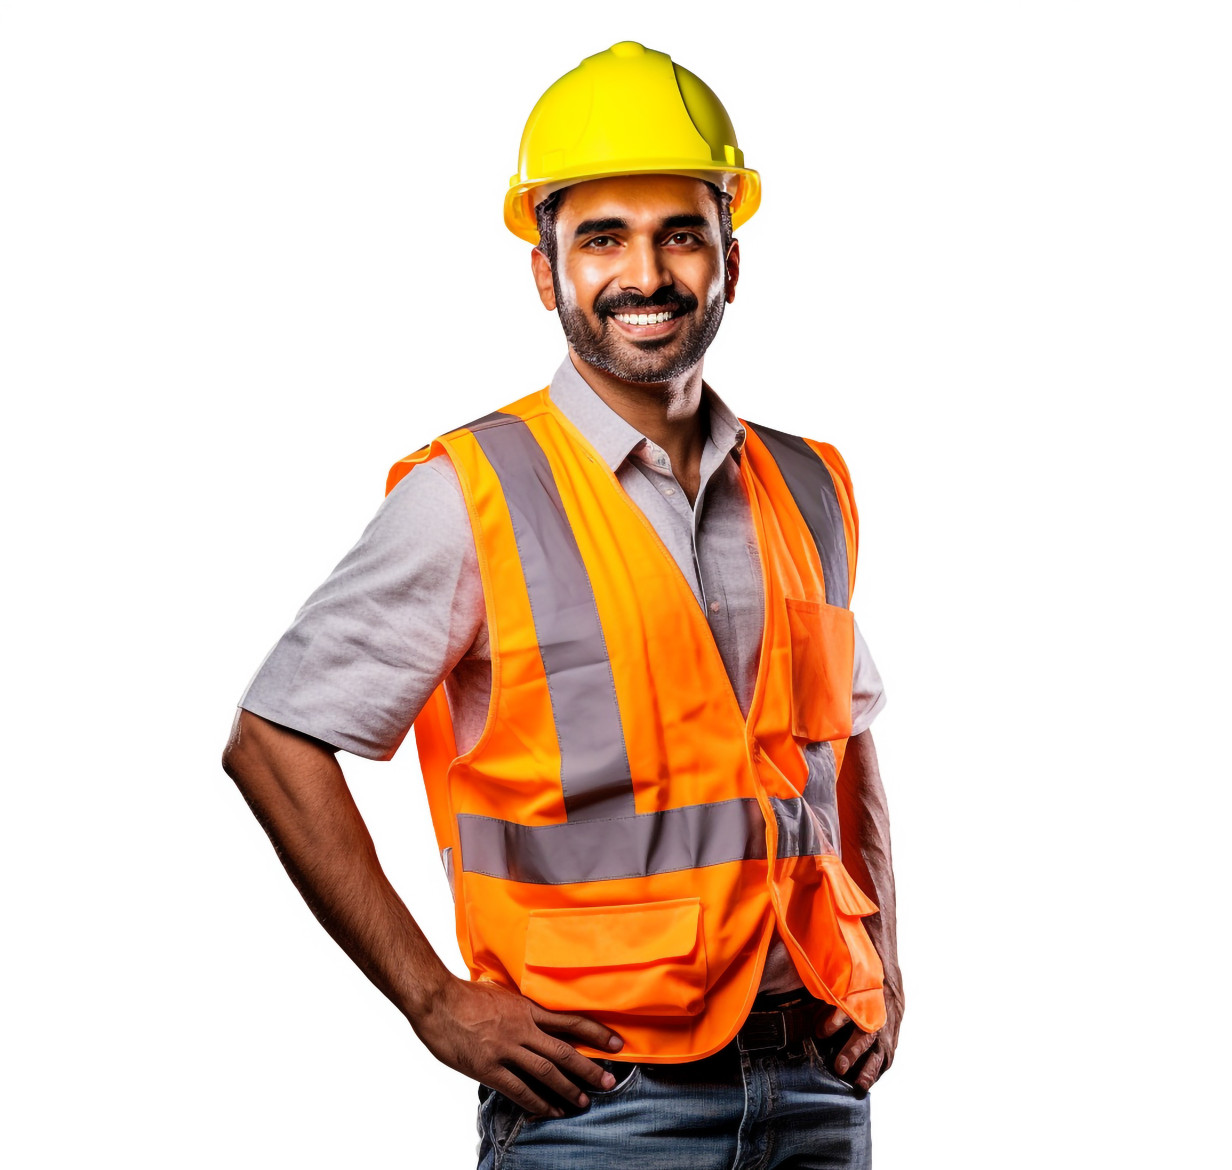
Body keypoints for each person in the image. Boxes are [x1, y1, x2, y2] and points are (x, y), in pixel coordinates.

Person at [223, 41, 904, 1169]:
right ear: (547, 273)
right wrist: (432, 1001)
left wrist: (884, 962)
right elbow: (274, 740)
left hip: (815, 1085)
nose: (647, 272)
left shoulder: (809, 485)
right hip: (599, 1103)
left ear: (730, 257)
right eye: (602, 237)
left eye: (679, 232)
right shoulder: (469, 497)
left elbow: (846, 744)